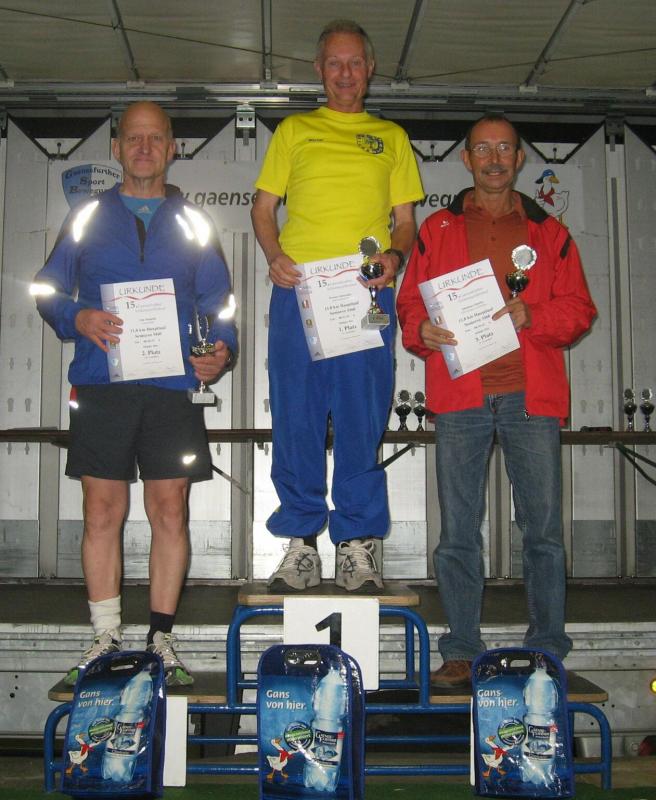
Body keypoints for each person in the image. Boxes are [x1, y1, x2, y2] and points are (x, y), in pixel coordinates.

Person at [32, 101, 237, 686]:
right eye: (133, 138)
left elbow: (219, 301)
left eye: (156, 138)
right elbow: (46, 288)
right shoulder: (86, 217)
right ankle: (104, 638)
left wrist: (222, 348)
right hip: (103, 384)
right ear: (116, 148)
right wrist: (77, 316)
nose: (144, 148)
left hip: (173, 387)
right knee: (102, 510)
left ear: (173, 148)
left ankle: (161, 640)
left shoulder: (195, 222)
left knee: (170, 509)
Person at [397, 113, 597, 687]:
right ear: (466, 159)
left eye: (504, 149)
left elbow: (579, 309)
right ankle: (462, 648)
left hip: (529, 397)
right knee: (458, 533)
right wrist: (420, 330)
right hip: (460, 396)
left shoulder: (549, 232)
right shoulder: (436, 229)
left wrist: (535, 315)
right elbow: (410, 306)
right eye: (482, 149)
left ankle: (547, 647)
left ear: (519, 158)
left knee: (543, 533)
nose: (493, 159)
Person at [251, 20, 424, 592]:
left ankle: (356, 543)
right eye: (334, 63)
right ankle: (301, 544)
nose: (345, 73)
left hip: (364, 294)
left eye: (354, 63)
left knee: (361, 417)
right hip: (298, 293)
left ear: (370, 69)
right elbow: (262, 208)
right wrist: (275, 255)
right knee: (296, 418)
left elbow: (405, 222)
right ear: (319, 70)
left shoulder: (391, 137)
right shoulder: (294, 131)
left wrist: (395, 256)